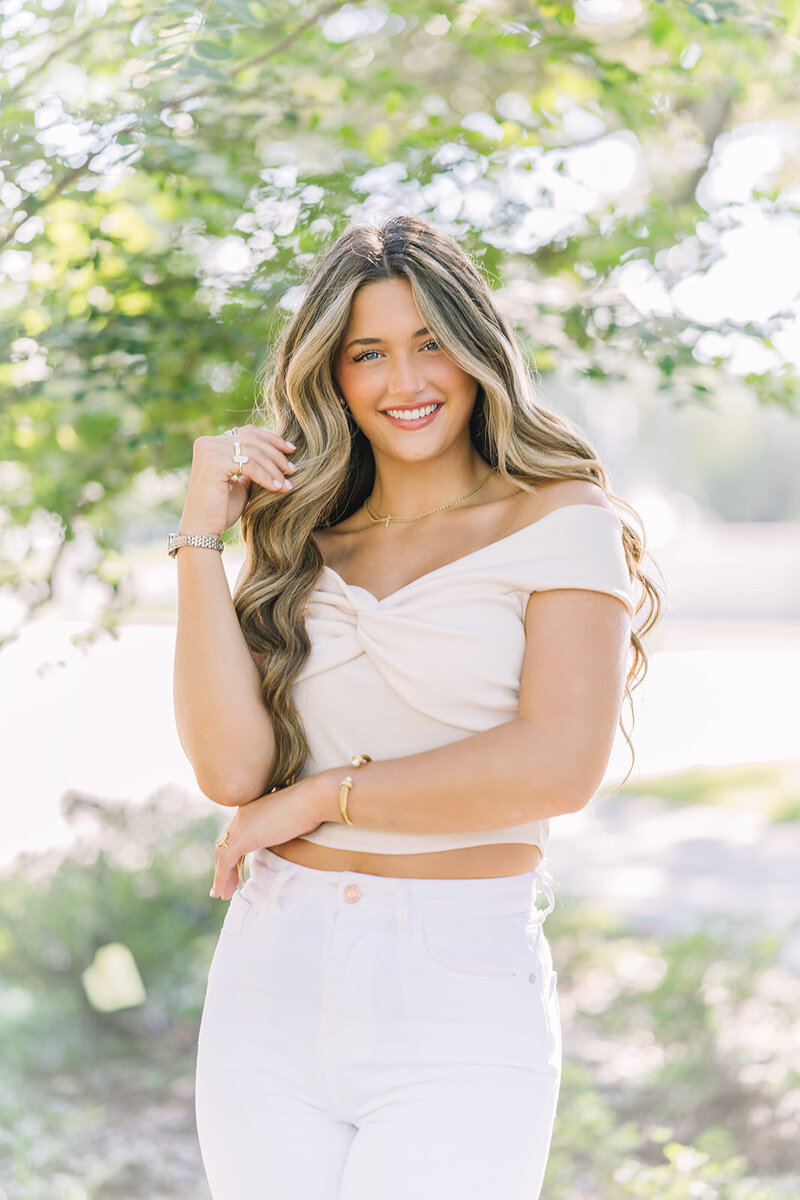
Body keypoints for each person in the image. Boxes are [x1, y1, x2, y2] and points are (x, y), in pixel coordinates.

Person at [171, 214, 662, 1200]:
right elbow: (230, 774)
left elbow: (558, 765)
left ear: (478, 351)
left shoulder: (559, 519)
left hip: (457, 984)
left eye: (430, 343)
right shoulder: (301, 535)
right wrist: (198, 539)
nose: (405, 382)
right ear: (332, 373)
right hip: (272, 968)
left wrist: (312, 800)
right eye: (368, 353)